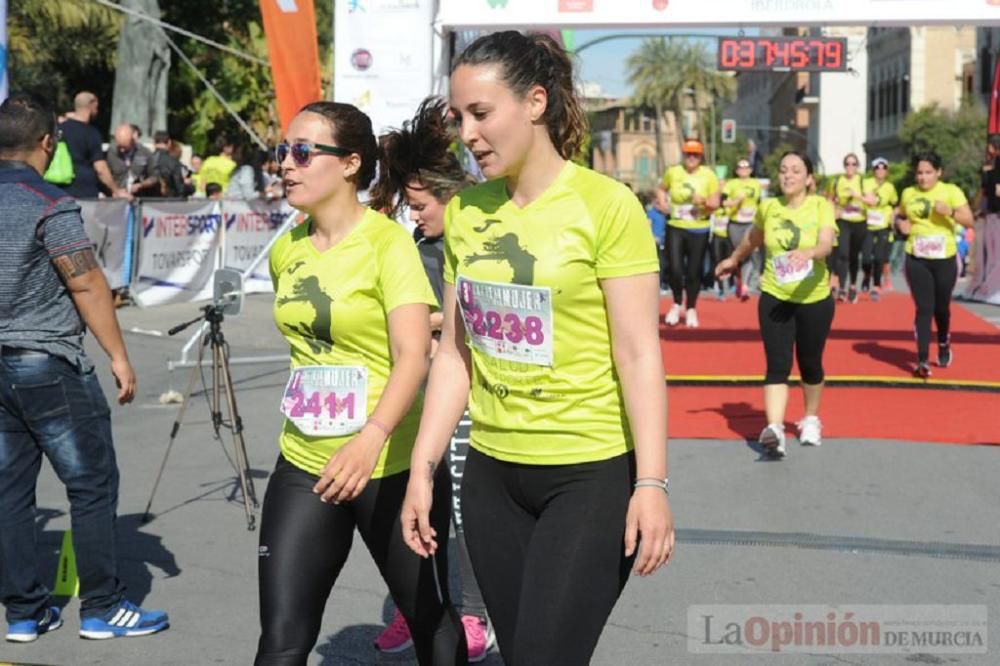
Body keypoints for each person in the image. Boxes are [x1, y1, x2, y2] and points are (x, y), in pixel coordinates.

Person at [399, 31, 675, 666]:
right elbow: (455, 354)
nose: (467, 133)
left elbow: (638, 353)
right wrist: (423, 464)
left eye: (481, 113)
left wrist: (652, 482)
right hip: (493, 481)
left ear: (535, 102)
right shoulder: (467, 212)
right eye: (459, 116)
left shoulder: (607, 207)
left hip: (589, 477)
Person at [255, 100, 466, 666]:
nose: (286, 164)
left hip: (388, 463)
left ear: (350, 164)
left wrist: (371, 433)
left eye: (303, 152)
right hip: (305, 461)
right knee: (280, 643)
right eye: (282, 152)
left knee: (428, 621)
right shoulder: (286, 251)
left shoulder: (388, 244)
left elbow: (412, 357)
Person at [0, 93, 169, 642]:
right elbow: (85, 281)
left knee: (8, 491)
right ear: (48, 143)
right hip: (46, 363)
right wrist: (118, 355)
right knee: (92, 483)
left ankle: (24, 612)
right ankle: (102, 606)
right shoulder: (48, 202)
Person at [369, 97, 494, 663]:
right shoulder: (415, 247)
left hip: (463, 397)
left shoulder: (473, 245)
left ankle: (472, 614)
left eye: (420, 206)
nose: (414, 215)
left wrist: (431, 320)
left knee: (461, 511)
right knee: (416, 506)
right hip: (415, 398)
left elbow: (467, 313)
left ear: (453, 197)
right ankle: (414, 608)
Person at [716, 151, 836, 458]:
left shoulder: (821, 205)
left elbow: (826, 242)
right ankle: (775, 429)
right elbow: (752, 239)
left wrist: (809, 253)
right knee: (777, 364)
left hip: (814, 298)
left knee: (810, 363)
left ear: (809, 178)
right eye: (783, 170)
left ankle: (810, 418)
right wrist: (733, 259)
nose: (788, 176)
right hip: (774, 295)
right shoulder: (768, 207)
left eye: (796, 170)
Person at [897, 152, 974, 378]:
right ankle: (922, 360)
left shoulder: (951, 191)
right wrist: (900, 224)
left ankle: (943, 341)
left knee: (941, 308)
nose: (923, 177)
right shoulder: (908, 193)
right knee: (924, 308)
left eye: (928, 172)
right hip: (916, 257)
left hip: (945, 258)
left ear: (938, 172)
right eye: (919, 173)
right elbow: (900, 216)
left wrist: (950, 212)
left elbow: (969, 220)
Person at [661, 138, 720, 328]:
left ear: (701, 156)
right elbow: (661, 189)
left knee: (694, 271)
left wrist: (702, 201)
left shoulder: (709, 176)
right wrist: (663, 203)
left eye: (695, 154)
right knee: (676, 269)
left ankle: (691, 307)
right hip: (676, 225)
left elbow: (715, 204)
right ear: (683, 155)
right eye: (688, 154)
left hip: (699, 228)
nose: (691, 158)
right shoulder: (673, 172)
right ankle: (677, 302)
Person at [58, 92, 127, 199]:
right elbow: (100, 168)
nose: (97, 111)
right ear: (91, 105)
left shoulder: (59, 129)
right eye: (97, 107)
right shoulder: (91, 133)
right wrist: (116, 190)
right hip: (84, 194)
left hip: (57, 191)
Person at [720, 158, 763, 301]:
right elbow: (722, 201)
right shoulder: (731, 184)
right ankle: (731, 283)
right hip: (735, 223)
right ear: (737, 170)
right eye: (741, 168)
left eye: (746, 168)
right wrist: (734, 202)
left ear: (751, 170)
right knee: (736, 255)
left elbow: (759, 203)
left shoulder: (756, 184)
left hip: (750, 222)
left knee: (748, 252)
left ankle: (744, 285)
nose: (744, 170)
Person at [829, 152, 867, 303]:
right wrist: (833, 212)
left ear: (857, 166)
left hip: (860, 222)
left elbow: (872, 200)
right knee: (843, 254)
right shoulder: (837, 181)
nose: (850, 167)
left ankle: (852, 285)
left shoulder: (864, 181)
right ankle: (842, 287)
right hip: (843, 221)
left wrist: (857, 196)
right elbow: (829, 199)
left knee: (854, 255)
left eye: (853, 164)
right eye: (847, 164)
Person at [860, 157, 898, 301]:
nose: (880, 171)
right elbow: (860, 198)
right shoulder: (866, 183)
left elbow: (894, 203)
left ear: (887, 171)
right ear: (873, 170)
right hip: (868, 224)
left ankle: (876, 285)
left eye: (883, 168)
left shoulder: (890, 187)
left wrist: (892, 218)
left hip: (883, 225)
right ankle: (867, 274)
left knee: (879, 257)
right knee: (865, 257)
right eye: (877, 168)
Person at [107, 123, 158, 197]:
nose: (122, 150)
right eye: (119, 146)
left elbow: (155, 176)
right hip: (116, 198)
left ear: (133, 139)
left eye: (125, 147)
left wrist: (142, 185)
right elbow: (103, 176)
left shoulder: (145, 153)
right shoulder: (111, 153)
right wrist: (114, 190)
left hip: (138, 197)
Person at [148, 131, 189, 198]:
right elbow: (179, 187)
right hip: (170, 202)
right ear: (169, 142)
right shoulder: (174, 162)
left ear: (154, 143)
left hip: (148, 202)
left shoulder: (147, 160)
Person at [645, 187, 670, 293]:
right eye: (659, 202)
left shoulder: (665, 214)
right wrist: (653, 237)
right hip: (656, 242)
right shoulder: (651, 213)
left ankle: (664, 284)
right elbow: (648, 226)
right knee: (659, 264)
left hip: (664, 241)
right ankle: (657, 286)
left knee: (665, 263)